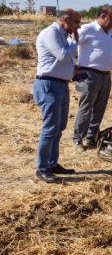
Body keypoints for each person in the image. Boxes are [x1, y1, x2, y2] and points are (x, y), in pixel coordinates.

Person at [33, 9, 82, 183]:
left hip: (61, 85)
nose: (78, 26)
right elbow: (62, 55)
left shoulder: (63, 35)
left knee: (59, 127)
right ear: (66, 20)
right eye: (77, 22)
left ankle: (52, 163)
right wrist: (76, 42)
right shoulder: (50, 33)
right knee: (50, 128)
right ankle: (42, 168)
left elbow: (63, 60)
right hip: (49, 85)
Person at [73, 6, 112, 149]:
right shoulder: (87, 29)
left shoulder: (109, 32)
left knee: (100, 108)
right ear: (103, 16)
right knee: (86, 107)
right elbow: (71, 43)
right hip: (88, 74)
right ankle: (78, 138)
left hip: (106, 75)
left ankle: (91, 138)